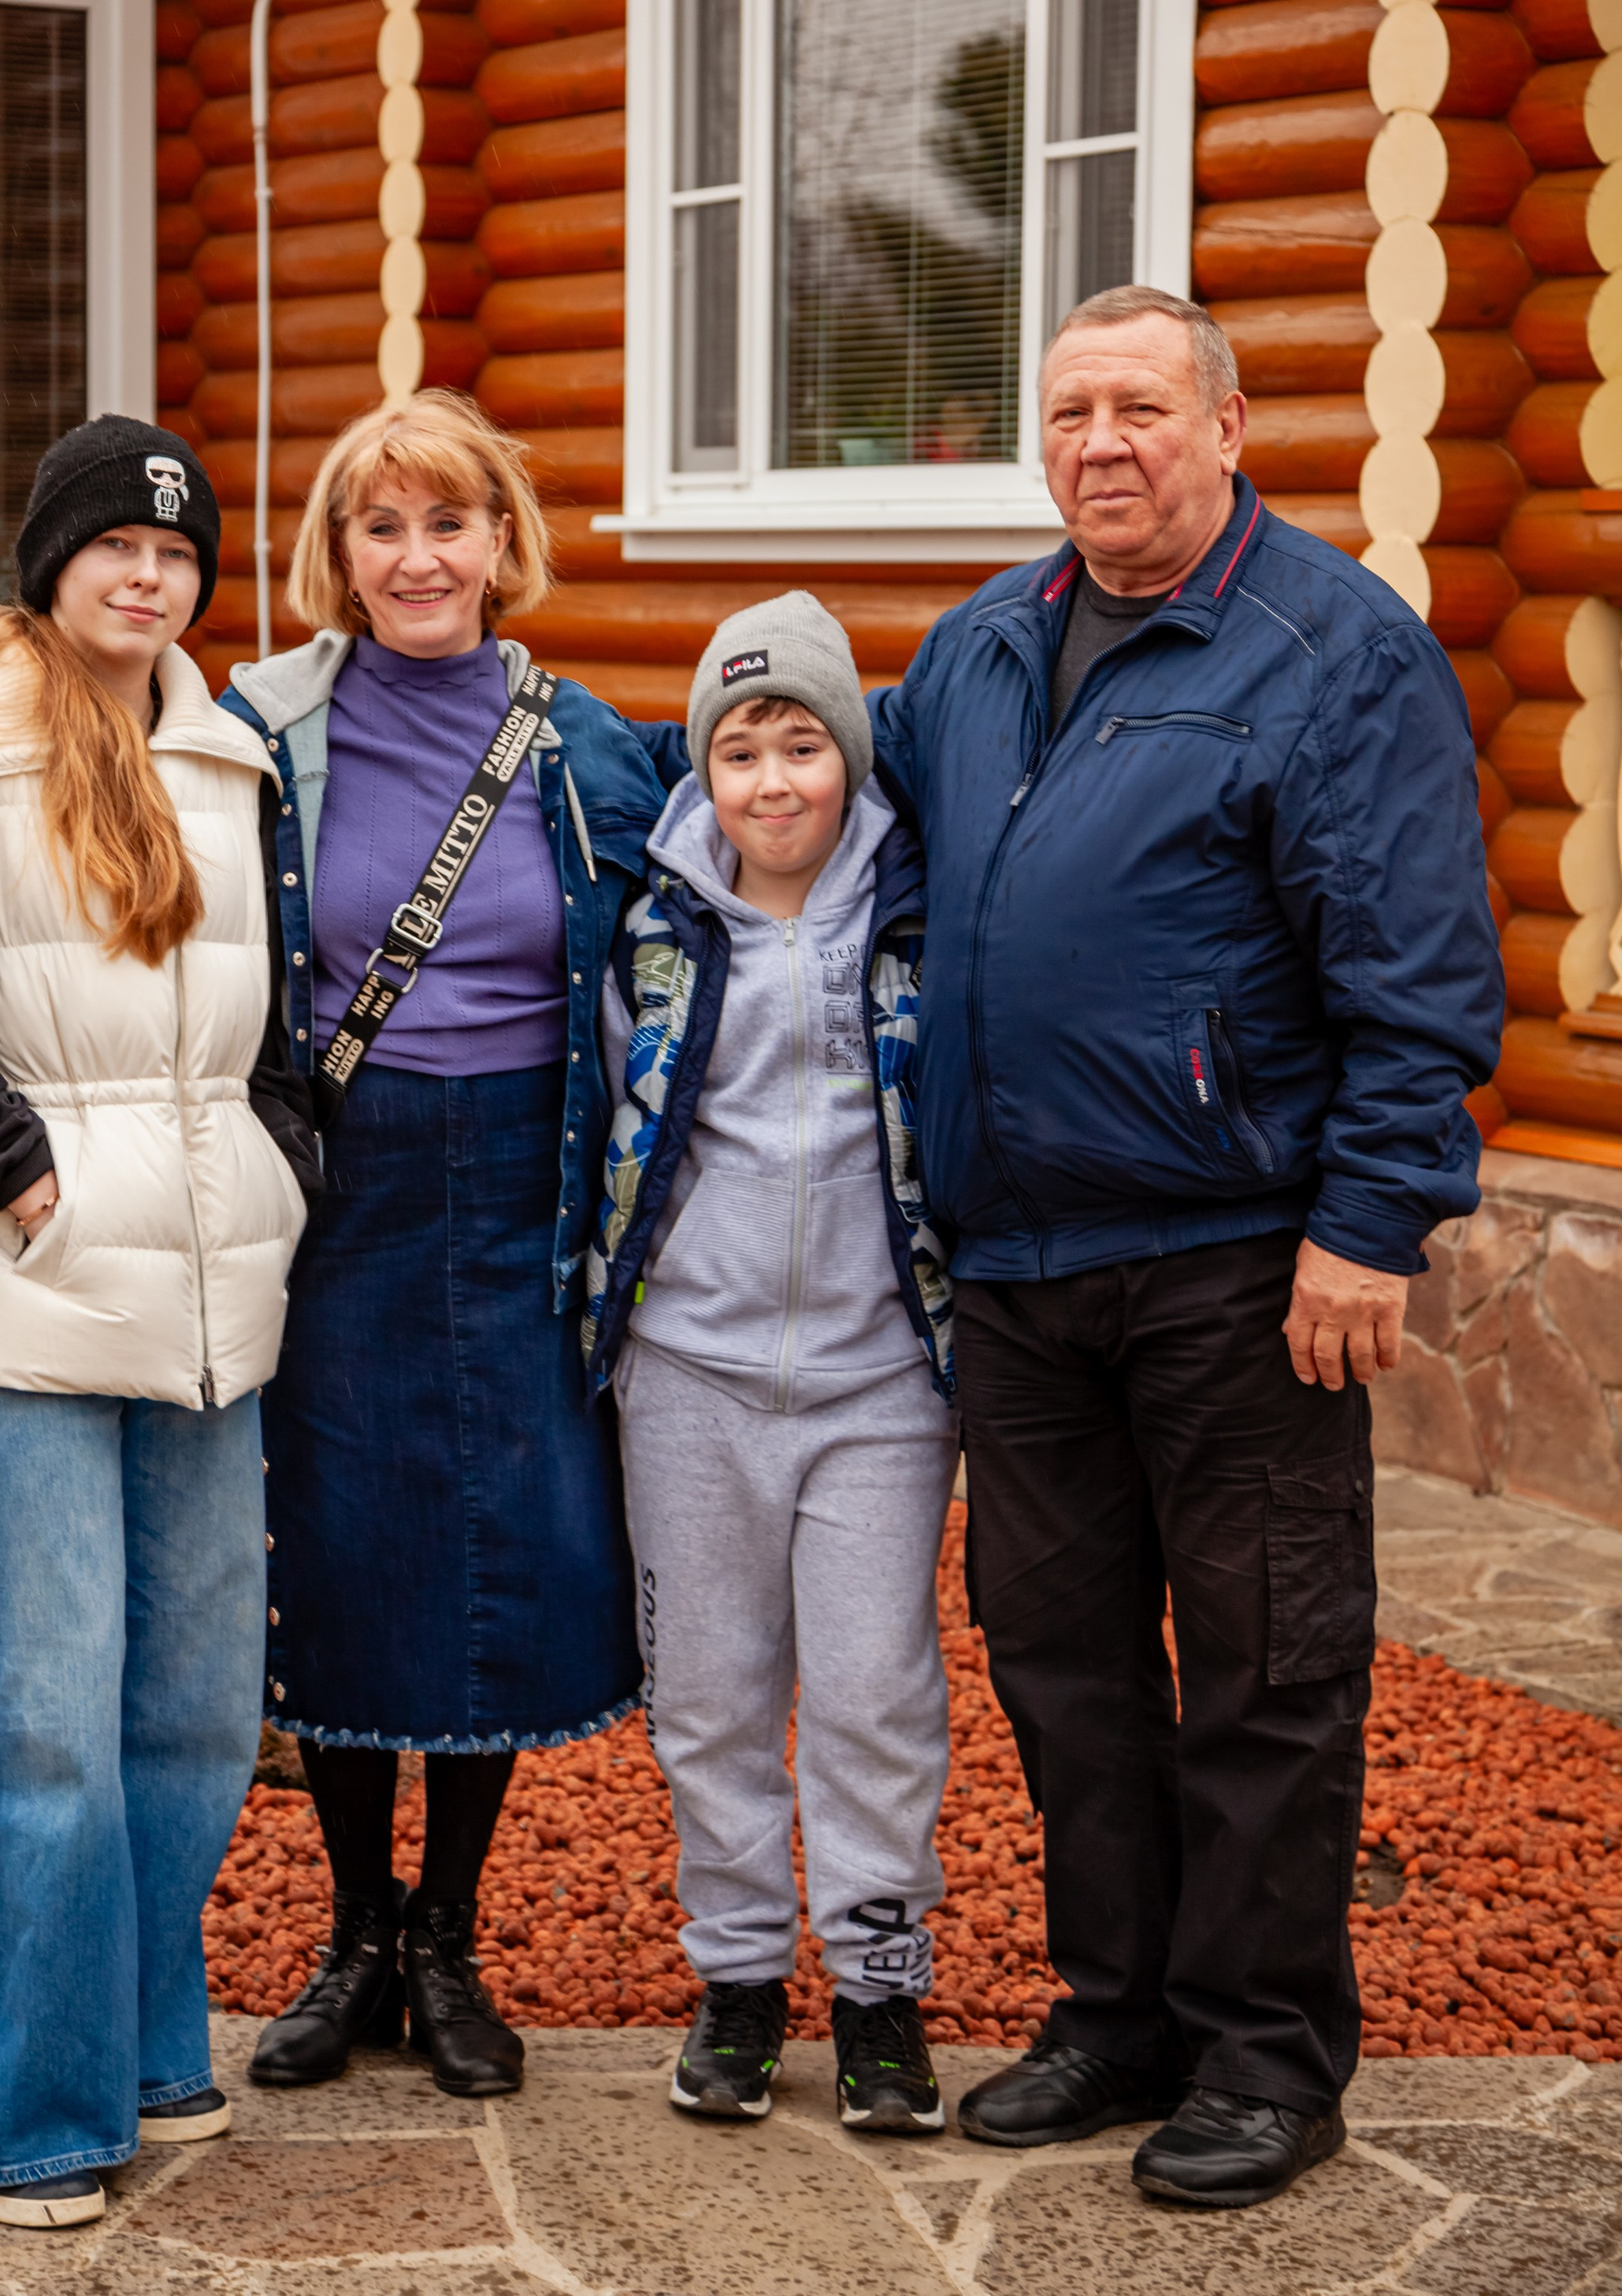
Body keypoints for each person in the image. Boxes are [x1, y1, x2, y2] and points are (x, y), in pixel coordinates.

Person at [869, 286, 1502, 2210]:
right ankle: (1116, 2010)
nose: (1101, 445)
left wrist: (1364, 1227)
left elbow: (1416, 979)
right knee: (1058, 1665)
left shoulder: (1334, 654)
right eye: (1068, 413)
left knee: (1262, 1669)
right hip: (1018, 1269)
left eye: (1142, 407)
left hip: (1241, 1259)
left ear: (1228, 429)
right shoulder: (979, 648)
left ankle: (1262, 2051)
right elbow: (827, 814)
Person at [0, 417, 318, 2231]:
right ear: (49, 564)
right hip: (23, 1294)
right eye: (113, 544)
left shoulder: (227, 755)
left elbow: (271, 1018)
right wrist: (13, 1179)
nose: (147, 576)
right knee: (26, 1723)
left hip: (209, 1302)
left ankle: (136, 2039)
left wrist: (279, 1164)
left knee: (187, 1714)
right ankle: (16, 2113)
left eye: (177, 554)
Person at [222, 391, 668, 2099]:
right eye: (380, 527)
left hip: (527, 1189)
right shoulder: (260, 735)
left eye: (447, 522)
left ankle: (450, 1937)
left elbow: (696, 936)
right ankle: (350, 1935)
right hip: (342, 1187)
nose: (417, 557)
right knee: (338, 1547)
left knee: (504, 1547)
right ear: (338, 553)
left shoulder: (586, 749)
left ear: (501, 542)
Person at [585, 594, 959, 2135]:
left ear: (848, 761)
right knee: (709, 1700)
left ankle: (876, 1986)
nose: (772, 781)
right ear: (704, 769)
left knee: (874, 1692)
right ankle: (738, 1978)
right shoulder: (657, 933)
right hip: (690, 1375)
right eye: (738, 750)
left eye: (801, 743)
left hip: (878, 1386)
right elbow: (605, 1126)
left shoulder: (918, 923)